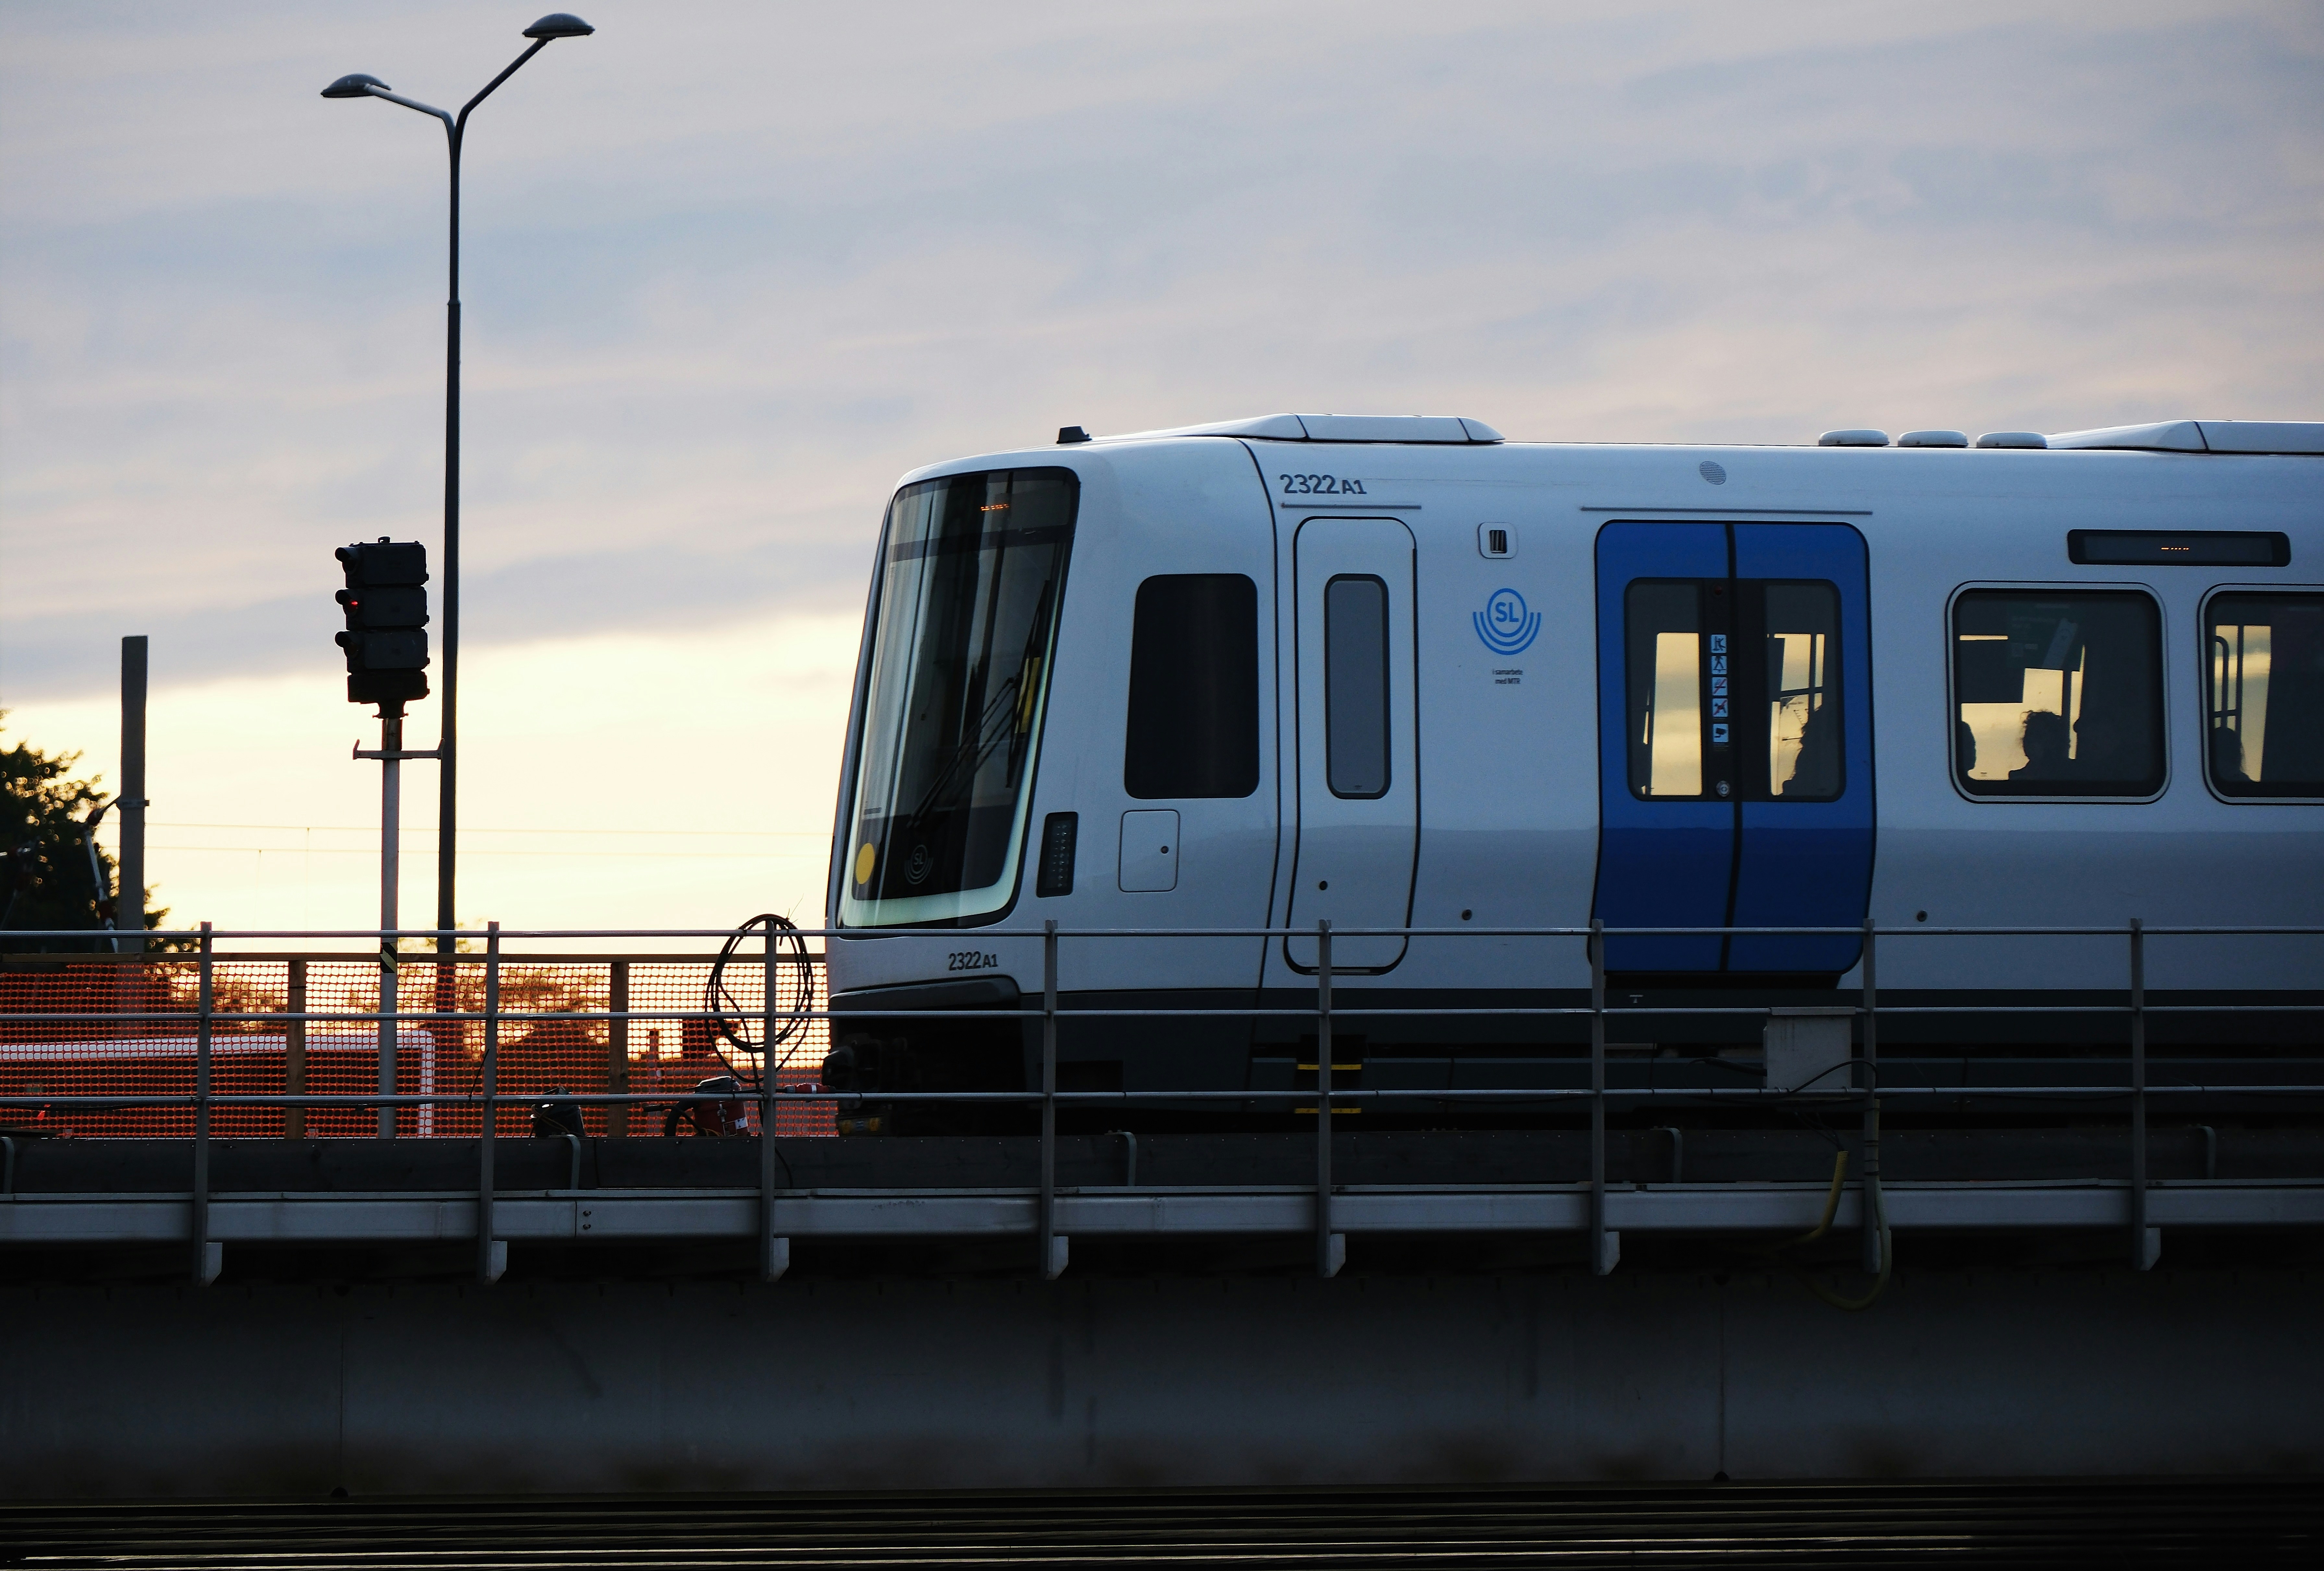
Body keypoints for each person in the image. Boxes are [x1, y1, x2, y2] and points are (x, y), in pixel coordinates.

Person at [2011, 710, 2070, 782]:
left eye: (2038, 736)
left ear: (2053, 742)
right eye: (2029, 735)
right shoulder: (2017, 777)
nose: (2030, 741)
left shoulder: (2071, 774)